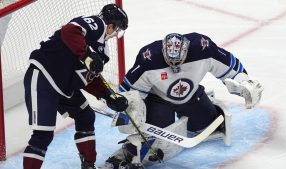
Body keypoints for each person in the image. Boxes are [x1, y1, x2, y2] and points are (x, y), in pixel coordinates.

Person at [101, 32, 264, 169]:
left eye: (178, 61)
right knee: (155, 141)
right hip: (158, 100)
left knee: (206, 127)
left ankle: (204, 111)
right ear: (163, 52)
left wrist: (243, 83)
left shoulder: (203, 48)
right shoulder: (149, 58)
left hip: (191, 95)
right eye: (170, 61)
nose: (174, 66)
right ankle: (125, 155)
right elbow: (129, 91)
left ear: (187, 50)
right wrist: (132, 109)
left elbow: (231, 67)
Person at [22, 4, 129, 169]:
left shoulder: (103, 52)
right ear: (110, 26)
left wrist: (107, 95)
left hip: (65, 86)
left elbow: (87, 77)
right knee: (43, 134)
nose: (116, 35)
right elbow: (69, 31)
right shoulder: (96, 24)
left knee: (85, 116)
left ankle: (88, 165)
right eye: (118, 30)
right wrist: (87, 55)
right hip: (45, 76)